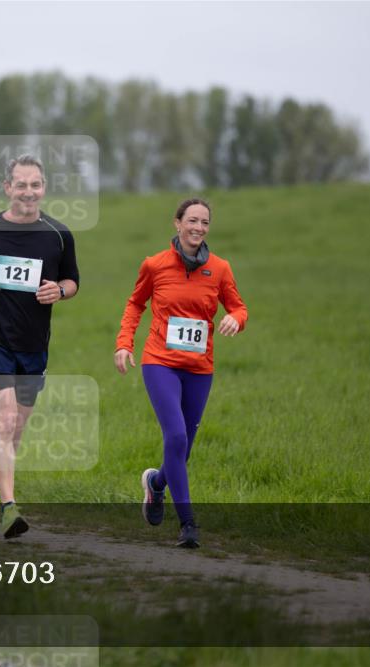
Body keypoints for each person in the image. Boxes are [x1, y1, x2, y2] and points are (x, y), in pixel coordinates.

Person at [0, 154, 80, 539]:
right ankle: (8, 508)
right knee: (3, 422)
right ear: (8, 188)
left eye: (35, 184)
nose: (29, 191)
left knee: (15, 432)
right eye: (21, 184)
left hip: (33, 344)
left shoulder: (59, 235)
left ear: (44, 189)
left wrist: (58, 290)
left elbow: (73, 280)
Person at [114, 198, 247, 548]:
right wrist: (124, 343)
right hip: (160, 362)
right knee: (175, 438)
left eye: (204, 223)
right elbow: (135, 304)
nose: (198, 228)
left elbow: (238, 306)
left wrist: (236, 318)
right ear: (177, 223)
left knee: (183, 450)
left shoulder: (219, 269)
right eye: (192, 221)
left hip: (200, 369)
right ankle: (189, 523)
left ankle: (156, 484)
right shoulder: (155, 265)